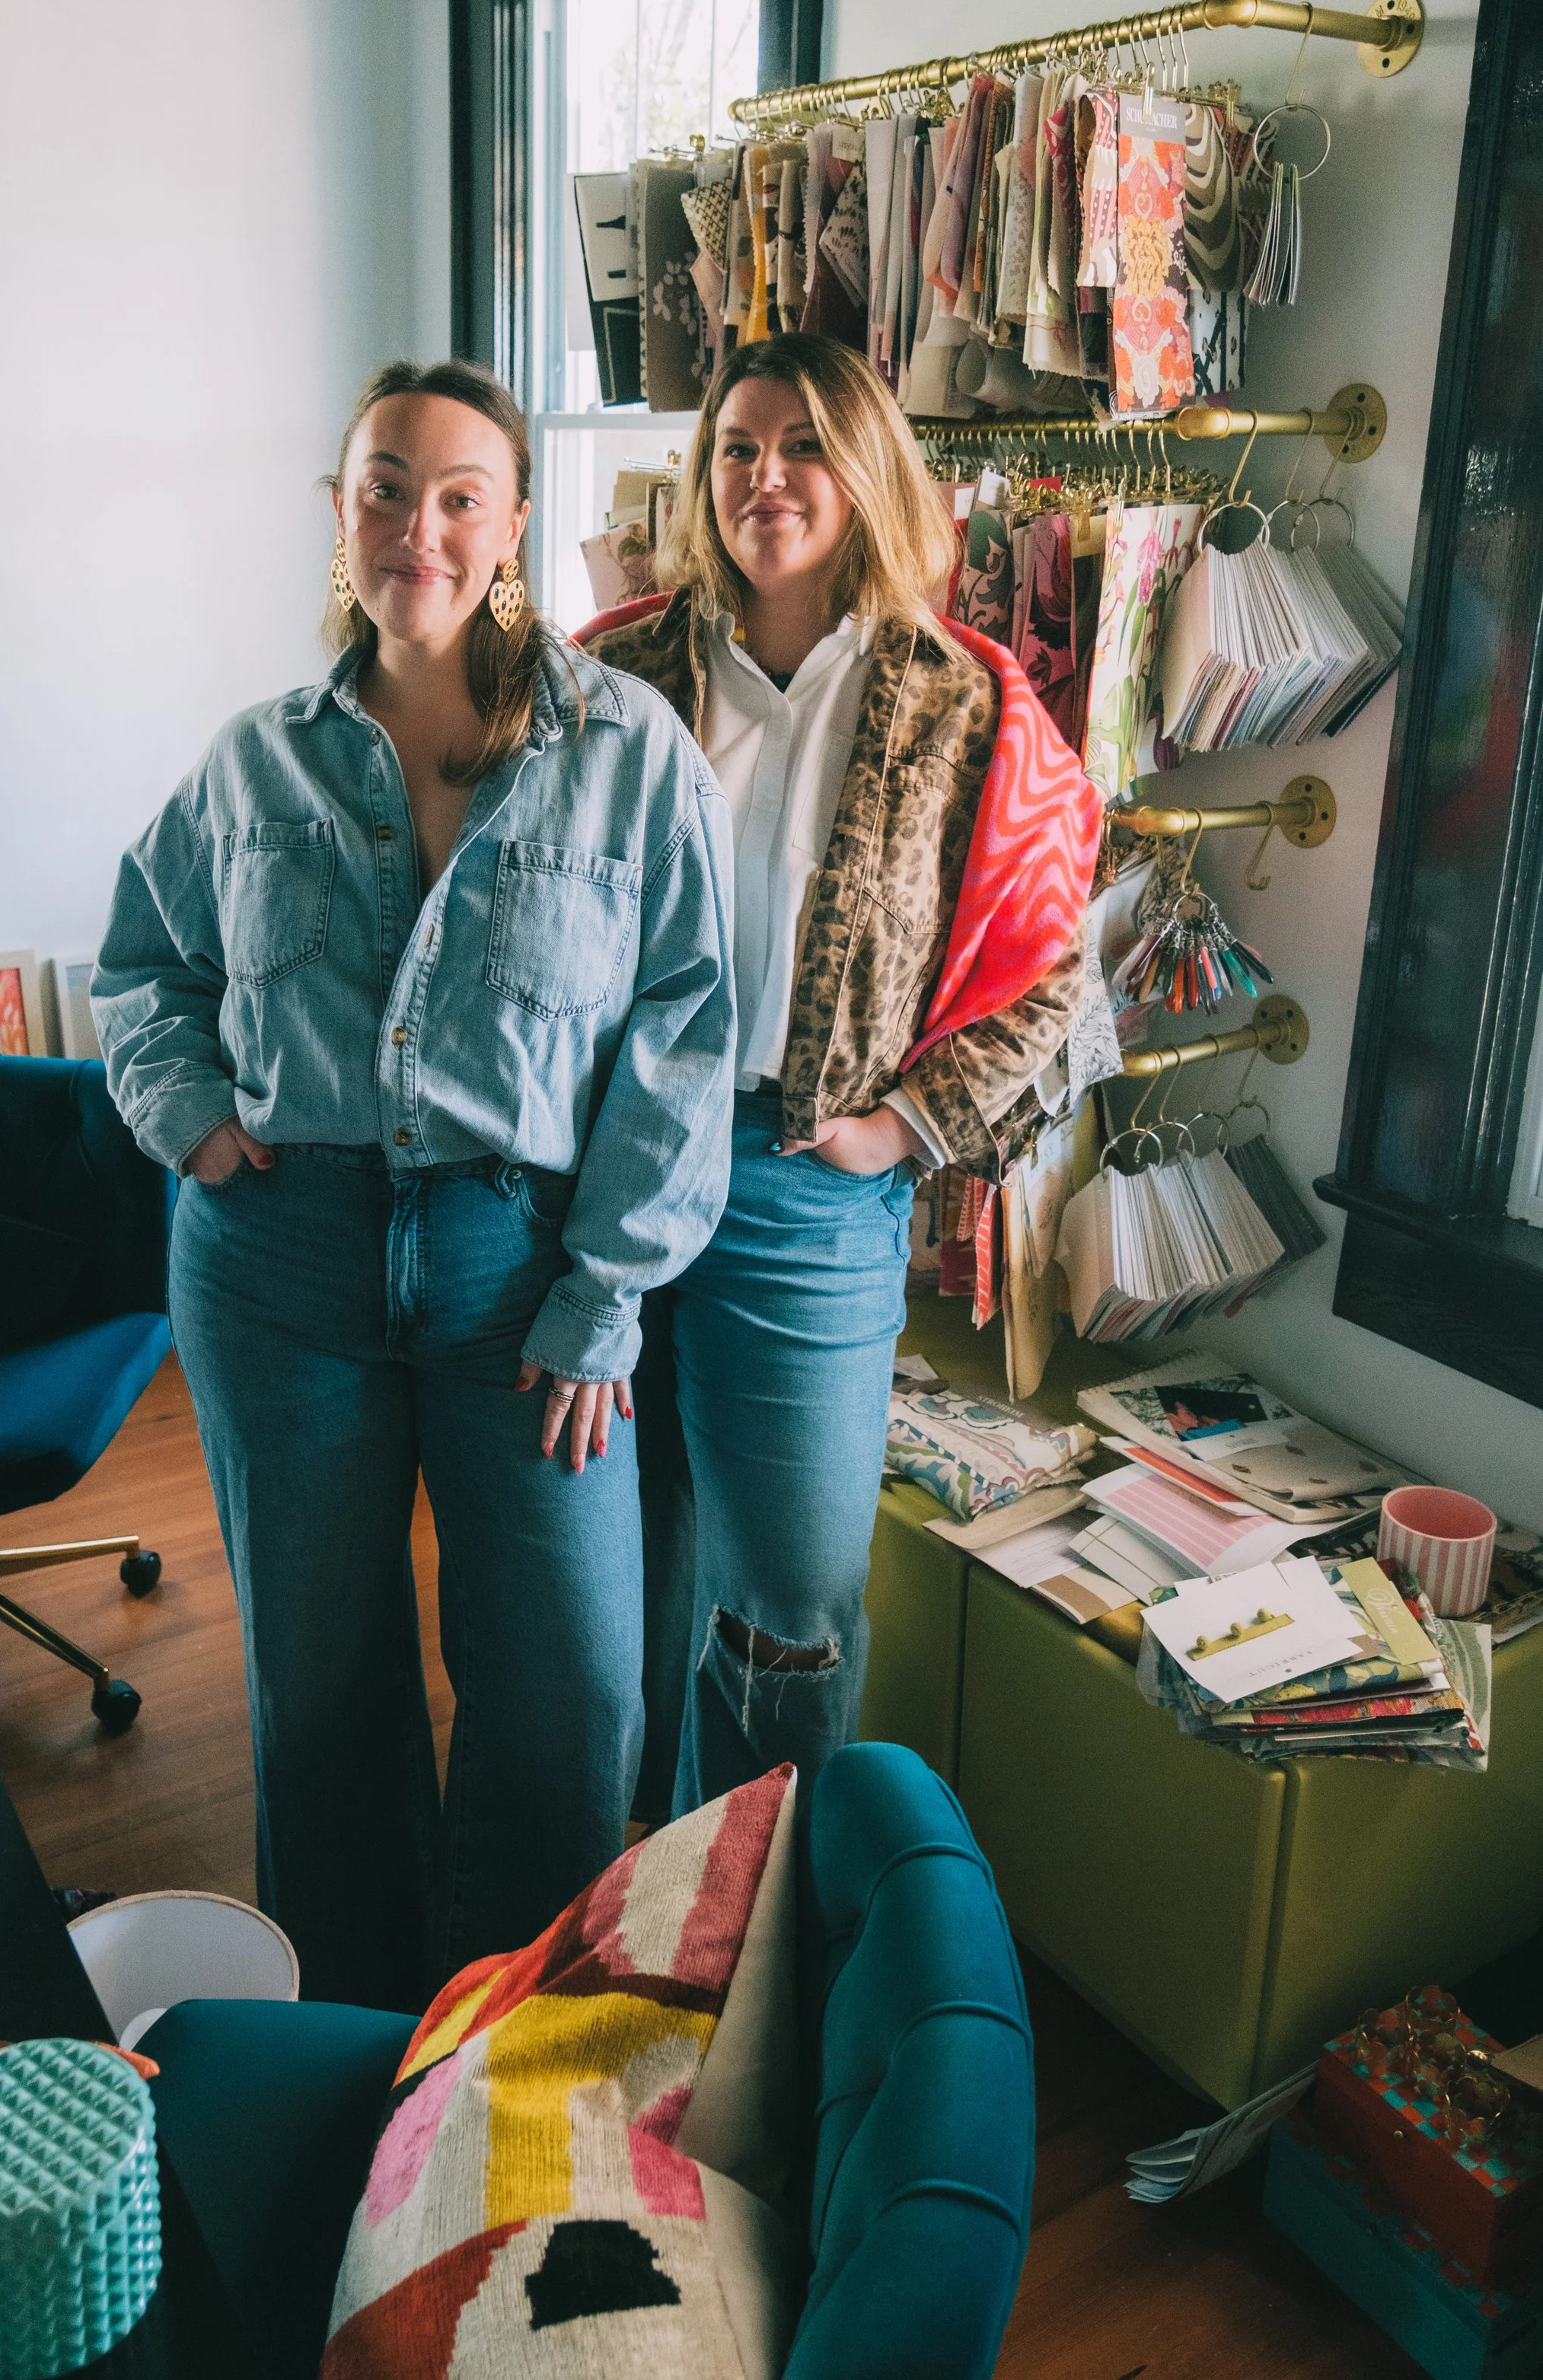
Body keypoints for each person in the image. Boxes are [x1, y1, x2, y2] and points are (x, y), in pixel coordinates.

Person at [93, 358, 736, 2008]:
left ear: (514, 523)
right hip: (275, 1265)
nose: (419, 526)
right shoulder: (253, 765)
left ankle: (504, 2045)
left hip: (522, 1277)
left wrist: (607, 1293)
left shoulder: (630, 754)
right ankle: (356, 2033)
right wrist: (189, 1117)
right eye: (385, 485)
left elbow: (682, 1028)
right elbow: (140, 966)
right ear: (338, 511)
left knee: (568, 1693)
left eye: (460, 494)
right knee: (322, 1693)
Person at [582, 333, 1101, 1818]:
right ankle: (608, 1910)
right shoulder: (607, 674)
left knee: (789, 1612)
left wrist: (908, 1126)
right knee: (616, 1571)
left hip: (805, 1191)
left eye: (803, 444)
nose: (766, 478)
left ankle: (740, 1950)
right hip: (606, 1170)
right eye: (736, 447)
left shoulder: (968, 708)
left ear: (864, 470)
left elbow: (1057, 976)